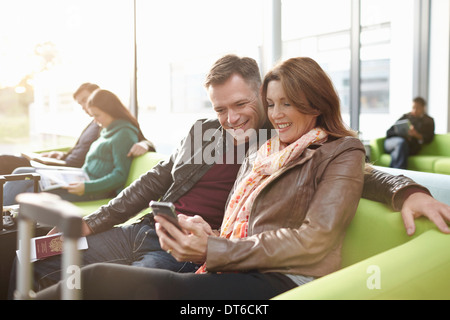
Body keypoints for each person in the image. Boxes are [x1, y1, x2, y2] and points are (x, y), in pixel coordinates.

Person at [20, 55, 450, 296]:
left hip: (194, 251)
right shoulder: (217, 135)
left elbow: (352, 164)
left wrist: (406, 188)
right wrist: (96, 219)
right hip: (151, 229)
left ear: (263, 96)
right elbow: (155, 180)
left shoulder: (284, 138)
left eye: (242, 104)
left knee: (110, 286)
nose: (230, 119)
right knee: (41, 255)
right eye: (220, 109)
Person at [3, 89, 144, 204]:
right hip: (80, 178)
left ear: (111, 111)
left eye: (97, 115)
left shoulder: (124, 134)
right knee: (20, 171)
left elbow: (120, 175)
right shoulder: (108, 129)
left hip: (91, 191)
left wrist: (86, 187)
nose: (95, 120)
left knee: (28, 191)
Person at [0, 83, 155, 175]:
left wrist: (145, 144)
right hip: (64, 164)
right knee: (10, 161)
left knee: (9, 164)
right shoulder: (94, 123)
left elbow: (135, 135)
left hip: (72, 170)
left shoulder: (113, 125)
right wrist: (61, 155)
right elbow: (80, 149)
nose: (84, 107)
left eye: (85, 101)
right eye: (81, 104)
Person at [384, 97, 435, 169]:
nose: (414, 110)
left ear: (423, 108)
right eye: (413, 107)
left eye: (417, 108)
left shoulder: (429, 121)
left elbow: (429, 138)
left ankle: (393, 173)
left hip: (407, 147)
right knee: (401, 143)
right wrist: (402, 133)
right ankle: (400, 173)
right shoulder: (406, 117)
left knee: (399, 149)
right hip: (392, 142)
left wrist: (416, 134)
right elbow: (389, 132)